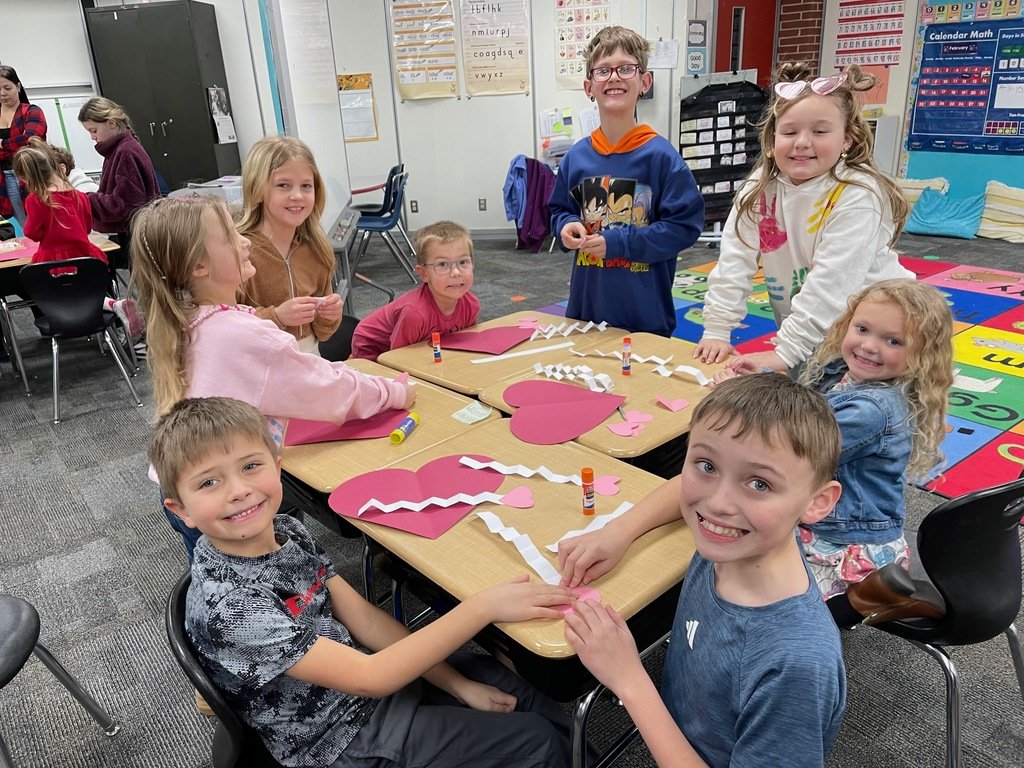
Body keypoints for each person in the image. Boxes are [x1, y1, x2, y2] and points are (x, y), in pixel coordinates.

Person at [149, 396, 574, 768]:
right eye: (209, 482)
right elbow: (372, 676)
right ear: (180, 510)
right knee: (534, 744)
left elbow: (366, 621)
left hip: (364, 692)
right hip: (338, 740)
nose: (239, 490)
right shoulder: (233, 608)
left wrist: (457, 684)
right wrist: (483, 608)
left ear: (277, 467)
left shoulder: (286, 532)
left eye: (251, 466)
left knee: (505, 685)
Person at [559, 374, 846, 768]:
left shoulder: (795, 665)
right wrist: (618, 531)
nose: (717, 503)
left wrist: (630, 680)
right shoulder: (743, 541)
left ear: (817, 502)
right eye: (707, 465)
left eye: (759, 484)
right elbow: (683, 486)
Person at [132, 195, 416, 562]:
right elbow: (331, 392)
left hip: (190, 489)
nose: (246, 240)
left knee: (219, 576)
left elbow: (306, 374)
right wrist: (396, 393)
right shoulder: (242, 335)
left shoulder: (189, 319)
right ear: (199, 266)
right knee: (250, 588)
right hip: (226, 496)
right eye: (232, 235)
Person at [693, 62, 913, 373]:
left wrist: (787, 351)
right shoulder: (759, 189)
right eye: (790, 131)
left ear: (847, 139)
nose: (802, 142)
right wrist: (717, 328)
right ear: (771, 141)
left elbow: (832, 283)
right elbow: (734, 261)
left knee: (866, 415)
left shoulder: (858, 195)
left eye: (820, 131)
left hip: (881, 340)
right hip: (810, 336)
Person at [798, 279, 953, 626]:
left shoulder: (873, 409)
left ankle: (859, 600)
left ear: (921, 354)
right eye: (863, 329)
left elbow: (795, 450)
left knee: (787, 609)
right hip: (845, 520)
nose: (869, 346)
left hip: (843, 538)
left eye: (893, 341)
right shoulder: (841, 371)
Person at [547, 25, 704, 337]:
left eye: (626, 68)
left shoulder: (661, 157)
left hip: (645, 315)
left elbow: (684, 226)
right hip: (586, 311)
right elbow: (559, 210)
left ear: (644, 82)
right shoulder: (577, 157)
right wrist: (565, 226)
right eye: (603, 70)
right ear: (588, 86)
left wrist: (619, 243)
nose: (614, 77)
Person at [12, 139, 142, 335]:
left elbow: (32, 233)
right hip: (87, 258)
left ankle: (62, 328)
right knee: (83, 292)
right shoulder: (80, 196)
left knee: (52, 293)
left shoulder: (36, 200)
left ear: (29, 178)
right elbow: (88, 227)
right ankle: (113, 304)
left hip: (53, 262)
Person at [237, 135, 343, 354]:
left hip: (308, 360)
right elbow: (225, 326)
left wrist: (329, 315)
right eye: (283, 185)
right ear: (257, 190)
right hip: (257, 367)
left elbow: (323, 333)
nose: (297, 195)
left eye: (306, 186)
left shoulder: (317, 250)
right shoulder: (239, 252)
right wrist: (276, 318)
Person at [350, 220, 480, 361]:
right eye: (442, 264)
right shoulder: (415, 314)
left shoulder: (471, 304)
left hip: (418, 345)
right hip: (373, 346)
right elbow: (398, 359)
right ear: (423, 273)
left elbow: (464, 346)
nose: (456, 272)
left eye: (463, 262)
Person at [78, 97, 160, 246]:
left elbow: (125, 205)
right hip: (134, 234)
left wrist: (85, 200)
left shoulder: (125, 152)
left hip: (135, 238)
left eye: (94, 130)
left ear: (112, 123)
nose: (92, 137)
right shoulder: (117, 150)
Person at [0, 65, 47, 226]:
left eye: (7, 88)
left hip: (30, 173)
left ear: (18, 86)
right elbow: (20, 143)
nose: (2, 93)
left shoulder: (32, 111)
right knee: (22, 224)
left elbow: (29, 140)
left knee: (39, 220)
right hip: (3, 178)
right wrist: (12, 146)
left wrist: (2, 144)